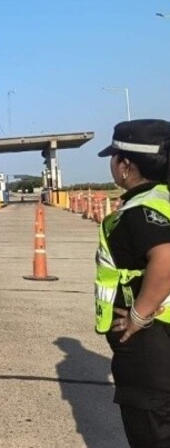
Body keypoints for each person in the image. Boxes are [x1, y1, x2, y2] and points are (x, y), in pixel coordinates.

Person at [95, 119, 170, 446]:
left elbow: (166, 262)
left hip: (151, 345)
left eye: (114, 157)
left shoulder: (139, 210)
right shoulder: (163, 198)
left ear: (126, 165)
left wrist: (139, 315)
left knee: (152, 433)